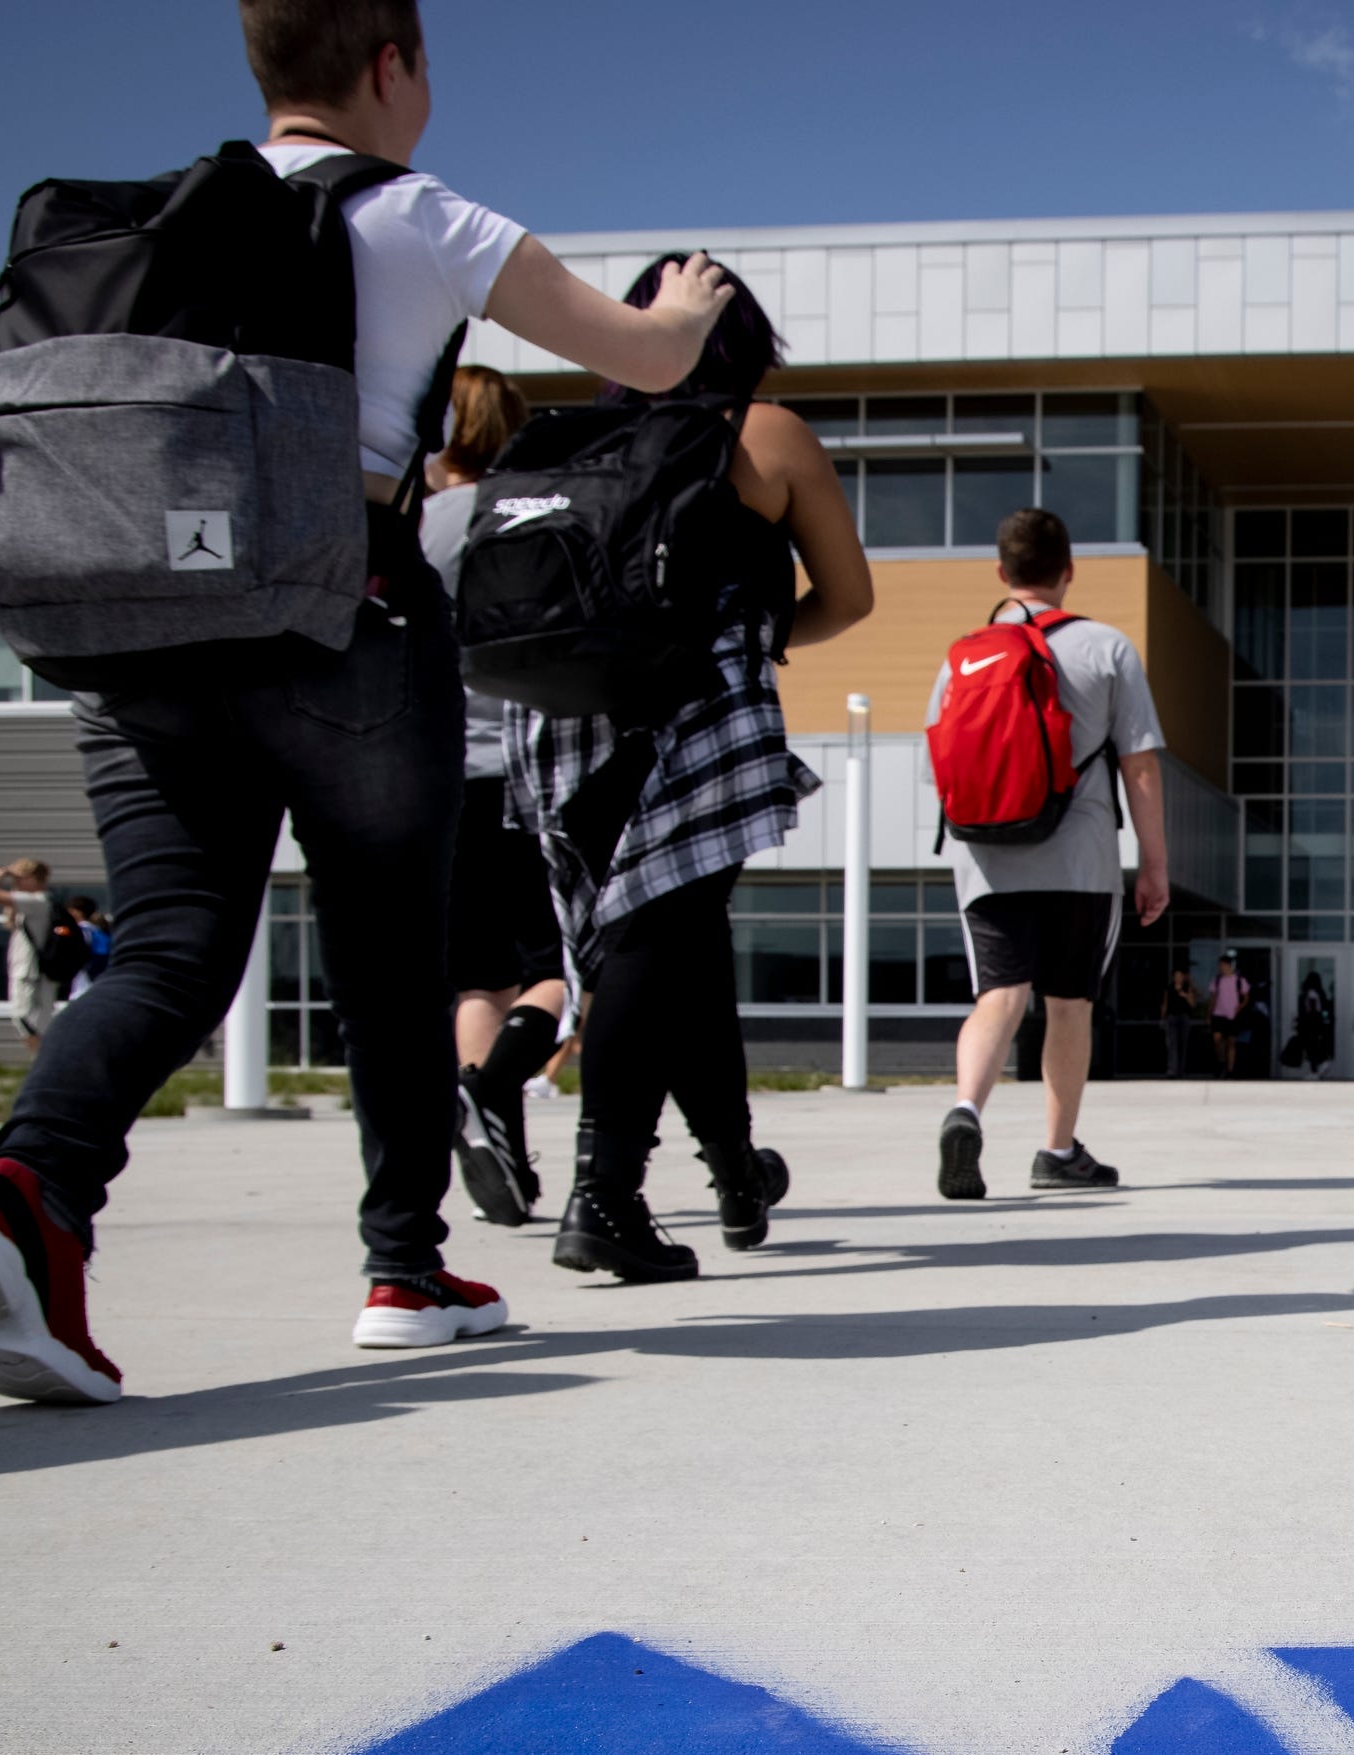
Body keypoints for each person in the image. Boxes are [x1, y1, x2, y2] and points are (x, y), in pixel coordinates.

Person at [0, 0, 749, 1404]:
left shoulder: (165, 222)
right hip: (340, 619)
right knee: (384, 960)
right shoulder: (416, 214)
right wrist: (693, 304)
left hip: (140, 639)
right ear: (392, 63)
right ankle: (403, 1269)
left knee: (168, 950)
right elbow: (643, 358)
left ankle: (21, 1197)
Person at [512, 261, 873, 1281]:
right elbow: (847, 598)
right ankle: (604, 1196)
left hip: (566, 726)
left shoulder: (576, 438)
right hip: (694, 727)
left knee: (679, 954)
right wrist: (752, 642)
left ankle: (732, 1170)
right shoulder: (760, 433)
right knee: (649, 951)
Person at [930, 507, 1170, 1200]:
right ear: (1068, 570)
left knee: (998, 995)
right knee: (1069, 1004)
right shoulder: (1107, 647)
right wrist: (1154, 865)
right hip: (1080, 857)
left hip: (986, 854)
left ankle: (966, 1110)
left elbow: (938, 767)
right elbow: (1141, 768)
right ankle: (1057, 1152)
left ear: (1002, 574)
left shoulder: (966, 655)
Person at [419, 362, 569, 1227]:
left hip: (442, 775)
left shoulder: (415, 532)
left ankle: (496, 1154)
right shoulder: (535, 519)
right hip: (529, 765)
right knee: (557, 972)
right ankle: (486, 1090)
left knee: (476, 976)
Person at [0, 858, 58, 1055]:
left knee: (23, 1020)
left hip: (31, 974)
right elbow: (9, 921)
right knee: (35, 1024)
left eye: (22, 878)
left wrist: (0, 873)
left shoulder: (37, 901)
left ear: (33, 879)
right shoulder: (31, 903)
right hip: (30, 972)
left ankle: (44, 1064)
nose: (16, 882)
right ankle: (45, 1065)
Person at [1206, 952, 1249, 1077]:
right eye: (1220, 965)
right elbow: (1212, 998)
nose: (1221, 967)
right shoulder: (1217, 980)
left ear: (1229, 965)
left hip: (1232, 1016)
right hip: (1218, 1014)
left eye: (1223, 965)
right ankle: (1220, 1061)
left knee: (1231, 1042)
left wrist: (1238, 1008)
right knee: (1217, 1040)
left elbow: (1246, 998)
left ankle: (1230, 1070)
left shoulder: (1239, 980)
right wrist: (1209, 1014)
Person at [61, 896, 113, 999]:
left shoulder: (80, 930)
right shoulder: (96, 929)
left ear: (78, 913)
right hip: (96, 975)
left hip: (82, 976)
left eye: (71, 911)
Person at [1292, 968, 1334, 1078]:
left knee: (1312, 1048)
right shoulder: (1320, 993)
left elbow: (1313, 1008)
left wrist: (1304, 1020)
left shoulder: (1311, 993)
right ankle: (1317, 1068)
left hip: (1311, 1024)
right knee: (1314, 1047)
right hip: (1316, 1024)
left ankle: (1316, 1069)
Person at [1160, 963, 1198, 1078]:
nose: (1178, 978)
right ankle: (1172, 1070)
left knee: (1183, 1045)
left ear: (1183, 977)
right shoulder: (1169, 988)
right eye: (1176, 975)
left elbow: (1193, 1004)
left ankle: (1182, 1071)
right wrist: (1162, 1019)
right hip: (1171, 1018)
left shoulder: (1187, 988)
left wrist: (1185, 995)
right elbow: (1165, 1004)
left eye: (1180, 975)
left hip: (1184, 1018)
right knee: (1172, 1045)